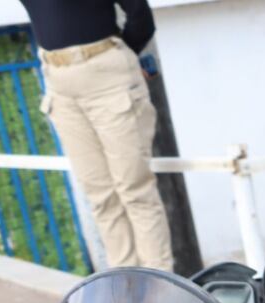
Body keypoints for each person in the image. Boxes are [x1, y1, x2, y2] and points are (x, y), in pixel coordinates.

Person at [21, 0, 174, 271]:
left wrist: (118, 58)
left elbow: (140, 14)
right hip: (58, 80)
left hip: (107, 71)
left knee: (134, 189)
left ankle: (158, 288)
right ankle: (123, 290)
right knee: (101, 197)